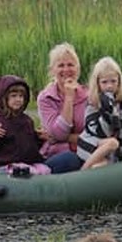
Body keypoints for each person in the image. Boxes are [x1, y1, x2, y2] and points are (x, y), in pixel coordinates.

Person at [77, 56, 122, 170]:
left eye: (113, 81)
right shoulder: (93, 101)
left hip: (114, 152)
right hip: (92, 144)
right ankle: (82, 171)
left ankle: (95, 173)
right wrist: (108, 110)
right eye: (104, 82)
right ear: (98, 83)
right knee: (112, 143)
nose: (109, 86)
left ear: (119, 81)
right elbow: (99, 132)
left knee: (105, 163)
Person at [0, 75, 50, 175]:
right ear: (4, 98)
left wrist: (39, 138)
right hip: (5, 163)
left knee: (45, 170)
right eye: (14, 96)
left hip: (27, 162)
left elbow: (30, 145)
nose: (18, 99)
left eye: (21, 96)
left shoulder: (27, 120)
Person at [37, 42, 87, 174]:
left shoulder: (89, 96)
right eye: (60, 65)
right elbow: (59, 133)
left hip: (87, 152)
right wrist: (69, 97)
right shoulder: (45, 98)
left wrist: (66, 138)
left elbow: (95, 135)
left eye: (70, 65)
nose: (66, 70)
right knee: (70, 159)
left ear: (77, 69)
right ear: (52, 70)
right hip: (58, 156)